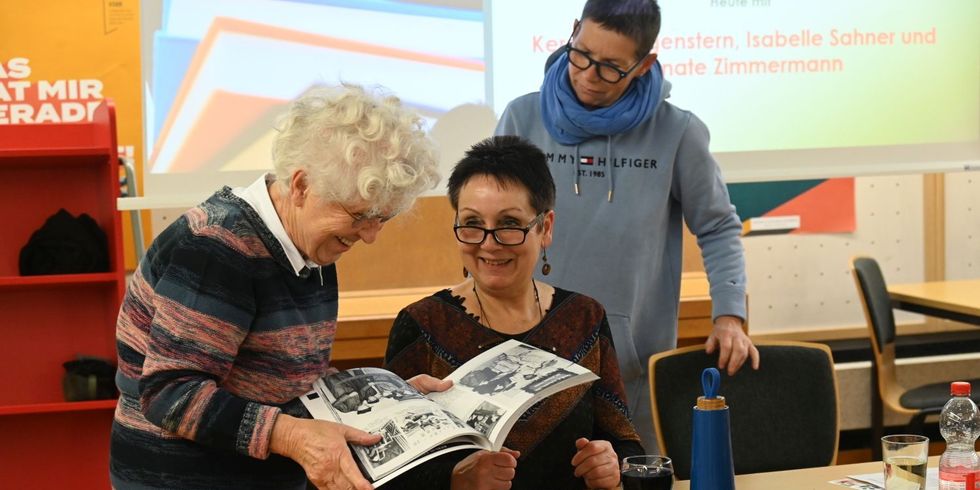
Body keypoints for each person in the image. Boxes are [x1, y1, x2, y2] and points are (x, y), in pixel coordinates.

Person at [110, 84, 444, 490]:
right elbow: (170, 394)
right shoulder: (220, 249)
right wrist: (291, 436)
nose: (370, 235)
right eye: (359, 215)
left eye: (382, 219)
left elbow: (285, 378)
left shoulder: (311, 244)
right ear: (301, 186)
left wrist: (387, 400)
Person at [494, 0, 760, 452]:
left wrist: (730, 315)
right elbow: (490, 227)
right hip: (528, 357)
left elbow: (717, 227)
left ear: (644, 64)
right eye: (581, 54)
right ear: (574, 31)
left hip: (631, 364)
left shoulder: (678, 133)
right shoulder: (522, 118)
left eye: (611, 67)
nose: (588, 75)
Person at [383, 135, 644, 490]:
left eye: (509, 224)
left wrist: (611, 464)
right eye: (472, 224)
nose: (489, 243)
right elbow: (390, 472)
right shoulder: (422, 325)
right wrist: (456, 479)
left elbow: (625, 443)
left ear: (545, 228)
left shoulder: (584, 318)